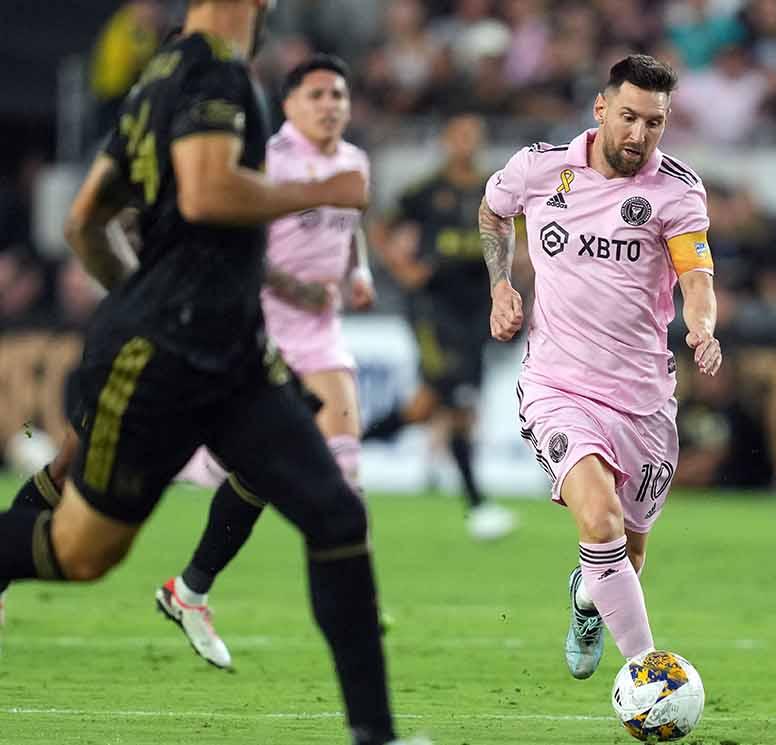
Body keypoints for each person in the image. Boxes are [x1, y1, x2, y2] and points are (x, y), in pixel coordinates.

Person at [0, 3, 424, 743]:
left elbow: (84, 220)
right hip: (166, 358)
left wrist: (134, 292)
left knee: (335, 511)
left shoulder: (159, 71)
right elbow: (206, 193)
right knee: (82, 551)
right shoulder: (215, 72)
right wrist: (321, 193)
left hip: (234, 355)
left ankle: (376, 733)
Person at [481, 54, 721, 680]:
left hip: (643, 398)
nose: (639, 136)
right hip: (558, 385)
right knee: (599, 518)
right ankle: (647, 673)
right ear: (600, 109)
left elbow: (697, 273)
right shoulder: (540, 169)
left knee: (625, 555)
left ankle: (587, 598)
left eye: (655, 123)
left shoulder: (675, 188)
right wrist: (500, 284)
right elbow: (493, 210)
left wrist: (701, 323)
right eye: (629, 117)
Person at [156, 52, 376, 670]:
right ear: (289, 105)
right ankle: (189, 588)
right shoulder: (266, 162)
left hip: (321, 337)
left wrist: (357, 271)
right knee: (240, 474)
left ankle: (352, 600)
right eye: (317, 95)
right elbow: (237, 246)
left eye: (339, 94)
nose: (331, 105)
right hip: (256, 335)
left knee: (344, 472)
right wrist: (291, 286)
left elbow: (350, 226)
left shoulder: (354, 161)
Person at [366, 114, 516, 541]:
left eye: (474, 134)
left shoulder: (494, 191)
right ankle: (477, 505)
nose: (467, 142)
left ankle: (343, 445)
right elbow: (381, 227)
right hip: (433, 308)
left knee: (426, 407)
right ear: (447, 140)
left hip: (475, 310)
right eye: (460, 134)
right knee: (458, 402)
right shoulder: (427, 191)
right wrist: (402, 267)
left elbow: (514, 235)